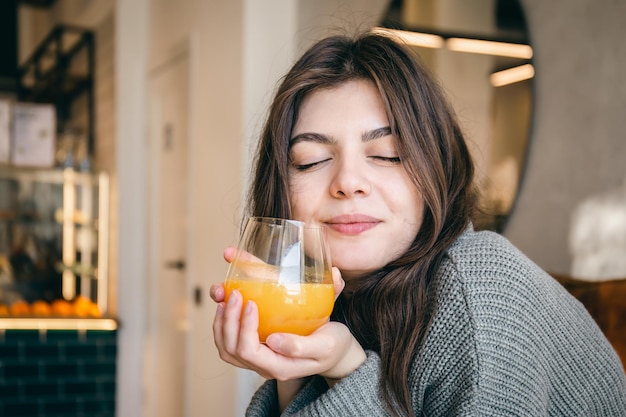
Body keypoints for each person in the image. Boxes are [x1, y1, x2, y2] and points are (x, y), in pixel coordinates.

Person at [210, 30, 626, 416]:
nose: (348, 183)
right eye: (311, 161)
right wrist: (295, 373)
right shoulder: (335, 298)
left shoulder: (479, 293)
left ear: (435, 167)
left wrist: (349, 369)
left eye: (388, 154)